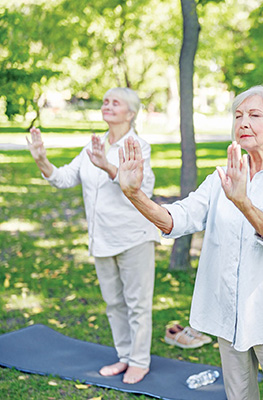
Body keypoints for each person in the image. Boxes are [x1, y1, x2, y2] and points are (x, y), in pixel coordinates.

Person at [117, 86, 263, 400]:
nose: (243, 122)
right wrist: (135, 195)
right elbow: (177, 219)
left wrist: (243, 202)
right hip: (228, 314)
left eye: (254, 115)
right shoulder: (221, 178)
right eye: (238, 116)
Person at [26, 87, 159, 384]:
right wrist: (41, 159)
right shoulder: (94, 144)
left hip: (134, 237)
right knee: (114, 303)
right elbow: (63, 178)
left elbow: (143, 190)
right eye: (105, 100)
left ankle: (140, 361)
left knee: (137, 303)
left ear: (131, 113)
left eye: (116, 102)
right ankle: (125, 357)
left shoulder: (138, 146)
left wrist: (109, 167)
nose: (108, 105)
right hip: (102, 239)